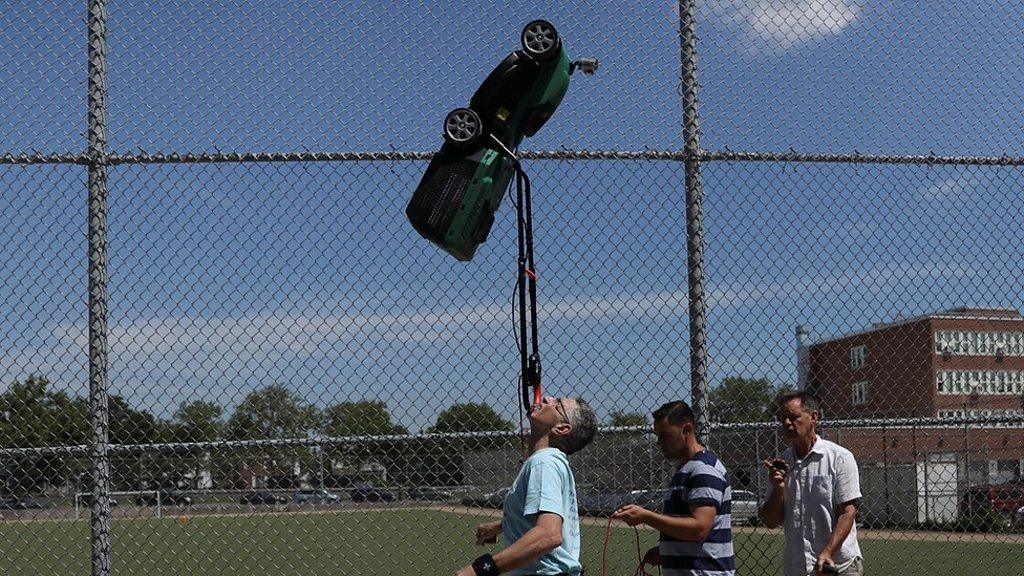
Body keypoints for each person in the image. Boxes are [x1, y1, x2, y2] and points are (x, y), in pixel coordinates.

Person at [455, 395, 598, 576]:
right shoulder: (552, 462)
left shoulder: (544, 463)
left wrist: (480, 570)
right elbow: (546, 519)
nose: (548, 398)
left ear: (561, 428)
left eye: (557, 404)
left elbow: (549, 535)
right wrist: (502, 525)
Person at [611, 400, 735, 576]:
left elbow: (700, 528)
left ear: (687, 430)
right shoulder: (686, 469)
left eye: (664, 435)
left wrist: (646, 517)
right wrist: (668, 551)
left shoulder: (703, 469)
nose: (659, 442)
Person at [759, 391, 863, 576]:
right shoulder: (781, 463)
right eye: (783, 418)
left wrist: (828, 552)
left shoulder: (839, 458)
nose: (787, 423)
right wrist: (778, 489)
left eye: (793, 417)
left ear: (813, 417)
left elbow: (848, 512)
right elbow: (770, 521)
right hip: (797, 567)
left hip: (837, 566)